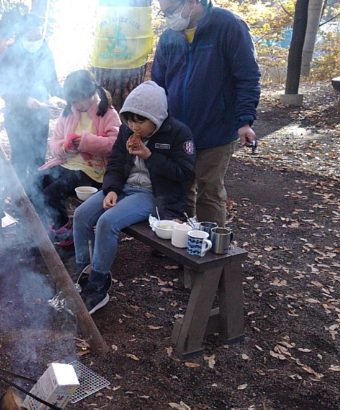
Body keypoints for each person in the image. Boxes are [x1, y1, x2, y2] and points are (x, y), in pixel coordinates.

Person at [73, 81, 195, 314]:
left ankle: (98, 286)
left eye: (140, 121)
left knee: (107, 222)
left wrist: (150, 156)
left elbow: (184, 174)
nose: (133, 126)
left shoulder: (178, 134)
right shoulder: (126, 131)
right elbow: (116, 163)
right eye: (129, 119)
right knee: (81, 215)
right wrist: (111, 189)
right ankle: (82, 275)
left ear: (156, 117)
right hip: (124, 188)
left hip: (155, 195)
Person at [152, 0, 261, 227]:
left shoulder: (228, 25)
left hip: (216, 127)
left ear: (191, 2)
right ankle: (177, 246)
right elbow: (159, 84)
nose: (169, 18)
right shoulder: (169, 38)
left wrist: (244, 121)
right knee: (179, 188)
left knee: (208, 191)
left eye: (171, 11)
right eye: (164, 14)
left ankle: (210, 253)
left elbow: (247, 77)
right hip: (178, 131)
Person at [39, 69, 120, 245]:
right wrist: (64, 147)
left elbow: (116, 144)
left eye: (79, 99)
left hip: (93, 170)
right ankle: (58, 223)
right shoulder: (69, 112)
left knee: (50, 194)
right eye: (72, 100)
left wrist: (86, 142)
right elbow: (55, 141)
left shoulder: (108, 113)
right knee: (35, 183)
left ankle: (65, 228)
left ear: (91, 92)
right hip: (67, 162)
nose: (76, 104)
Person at [0, 13, 61, 195]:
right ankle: (16, 196)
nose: (37, 37)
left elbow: (52, 82)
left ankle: (36, 198)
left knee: (39, 158)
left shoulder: (45, 51)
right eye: (33, 34)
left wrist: (66, 96)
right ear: (23, 32)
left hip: (40, 115)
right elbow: (4, 89)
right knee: (19, 157)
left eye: (39, 34)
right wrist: (25, 100)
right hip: (16, 114)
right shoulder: (9, 55)